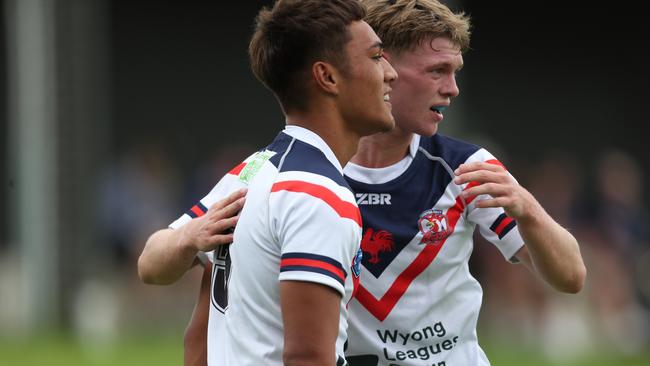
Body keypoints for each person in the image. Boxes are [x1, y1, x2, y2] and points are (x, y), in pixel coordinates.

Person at [181, 0, 587, 365]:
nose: (452, 88)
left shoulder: (465, 168)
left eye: (455, 71)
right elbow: (180, 279)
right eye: (437, 71)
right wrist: (187, 237)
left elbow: (571, 277)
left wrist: (528, 210)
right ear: (382, 65)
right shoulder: (296, 178)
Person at [137, 0, 398, 365]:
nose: (390, 73)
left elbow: (150, 266)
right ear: (327, 77)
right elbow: (308, 357)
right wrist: (191, 236)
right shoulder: (317, 196)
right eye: (375, 57)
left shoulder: (253, 170)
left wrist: (187, 237)